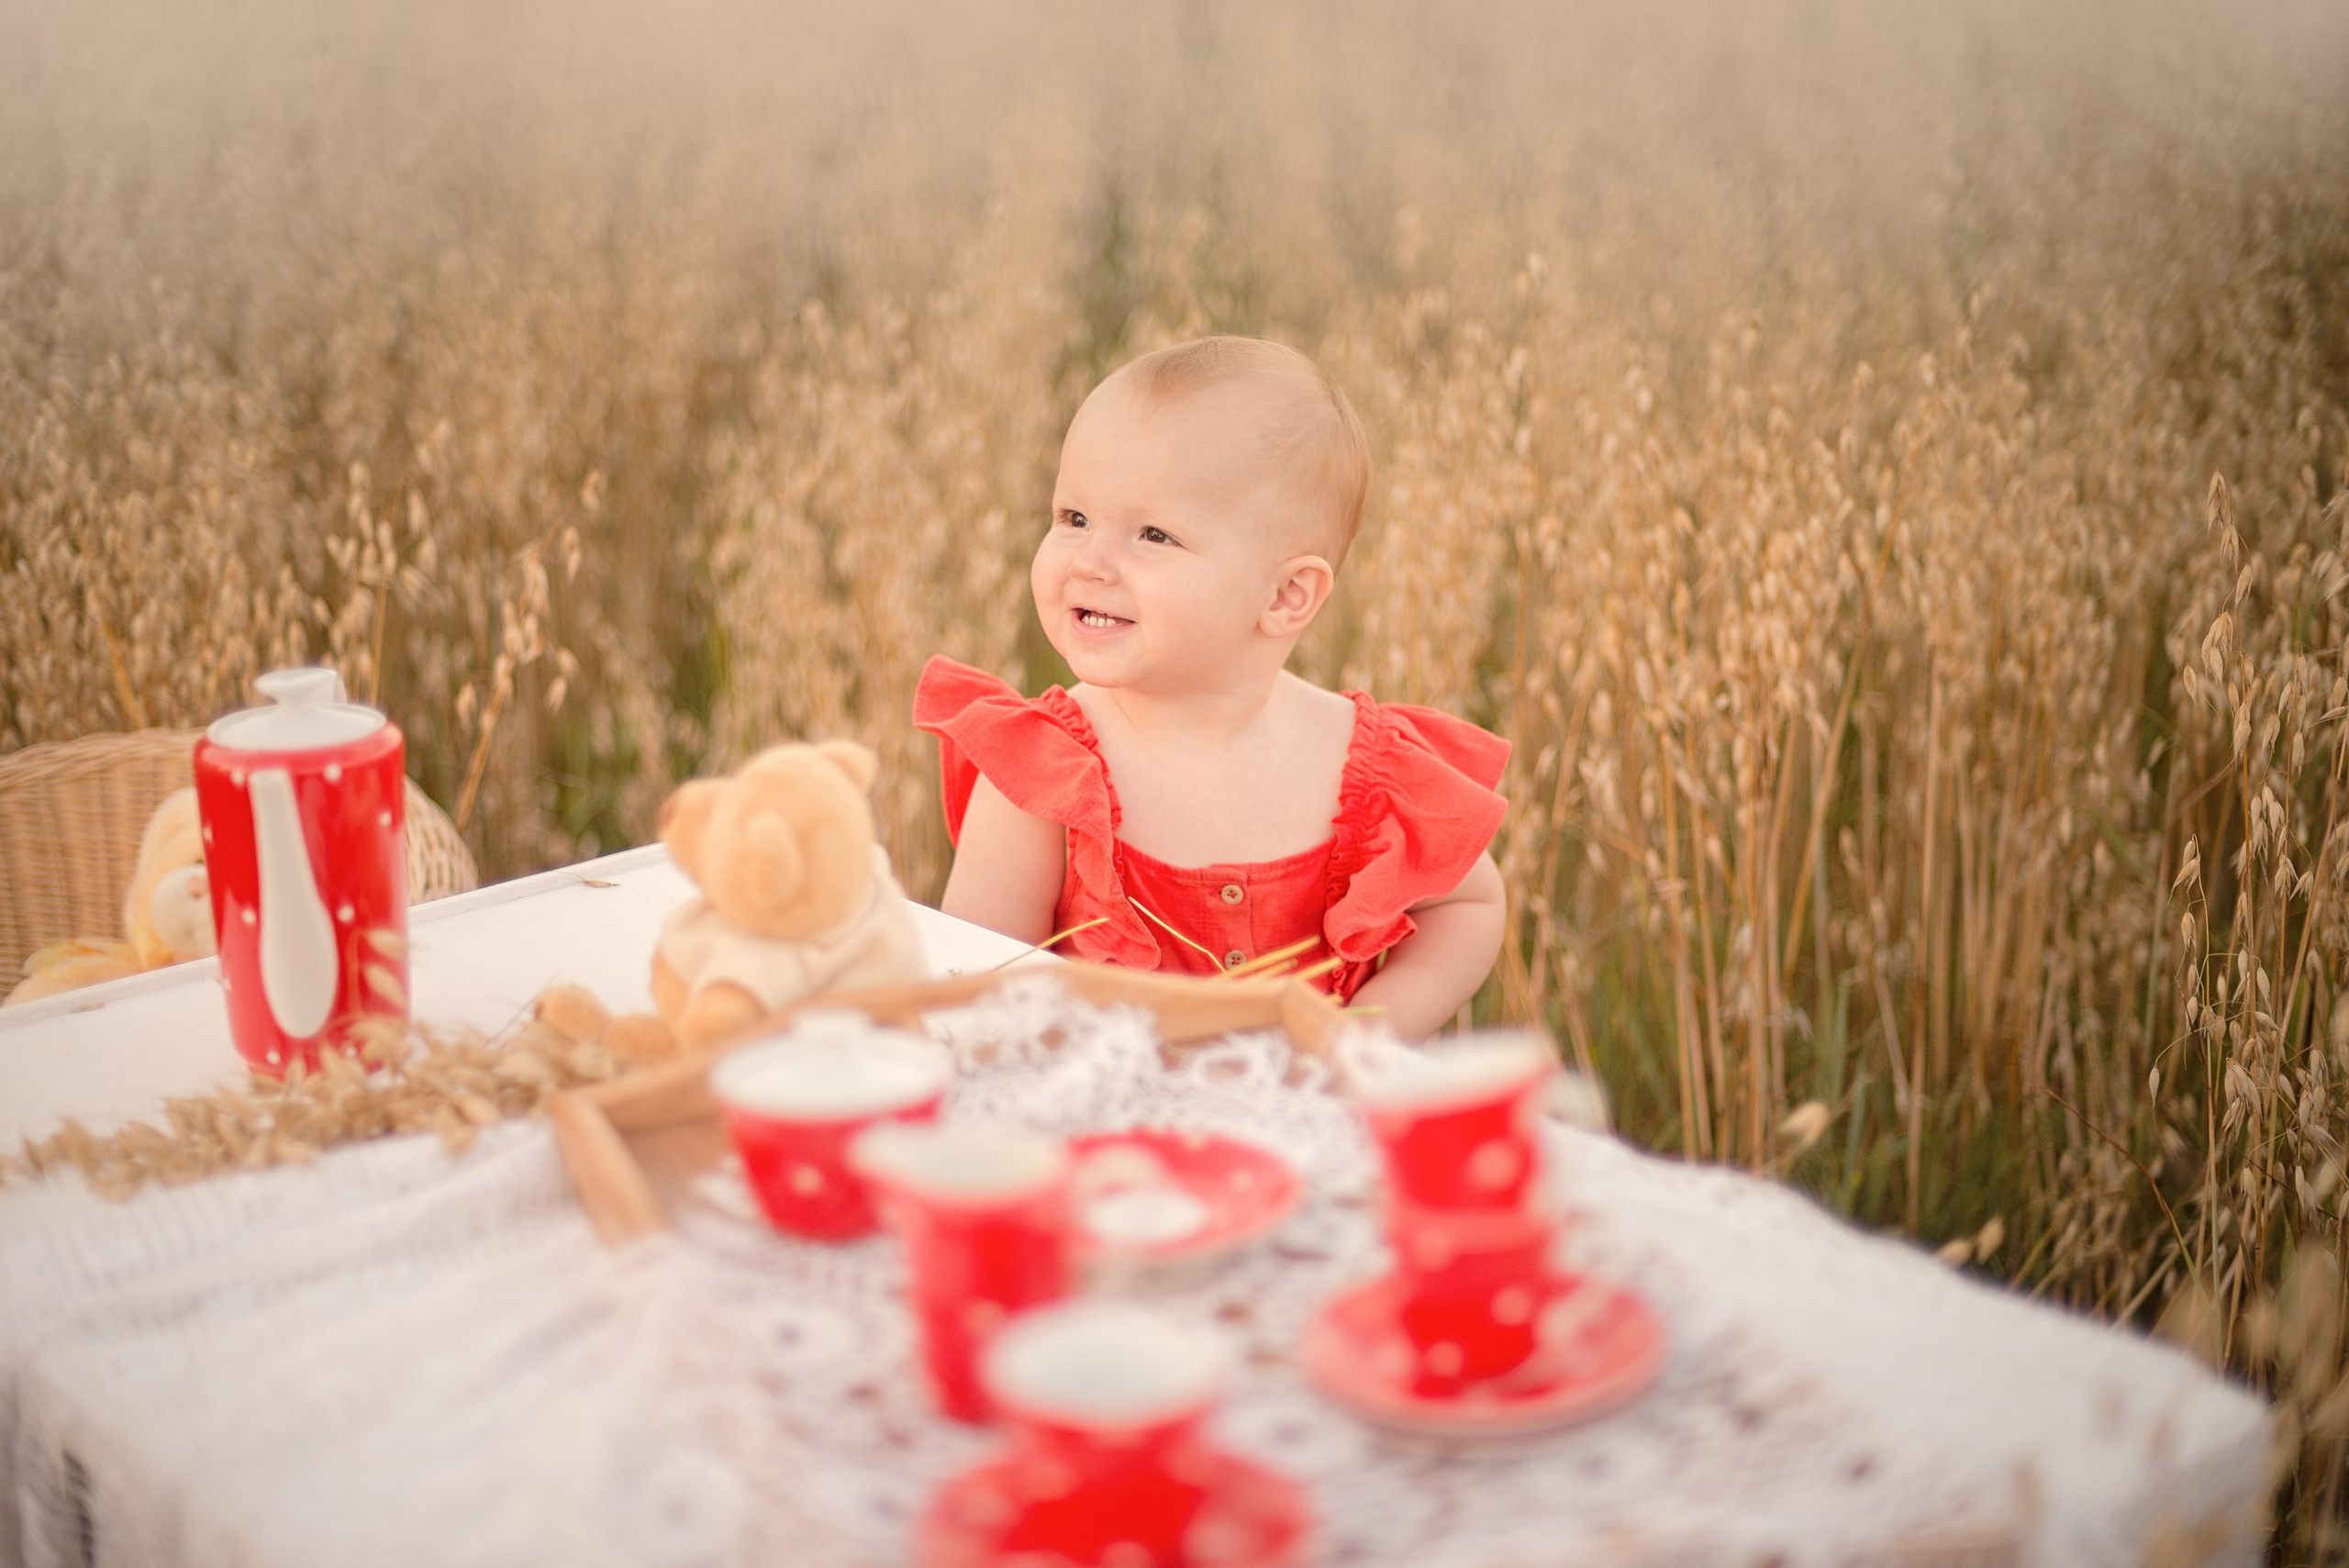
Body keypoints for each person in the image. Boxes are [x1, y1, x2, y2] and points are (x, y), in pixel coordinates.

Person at [913, 336, 1508, 1041]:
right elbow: (974, 987)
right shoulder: (1041, 779)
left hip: (1313, 1134)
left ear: (1287, 594)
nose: (1089, 561)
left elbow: (1466, 906)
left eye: (1154, 535)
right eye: (1073, 517)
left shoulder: (1366, 770)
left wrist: (1367, 1033)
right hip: (1108, 1132)